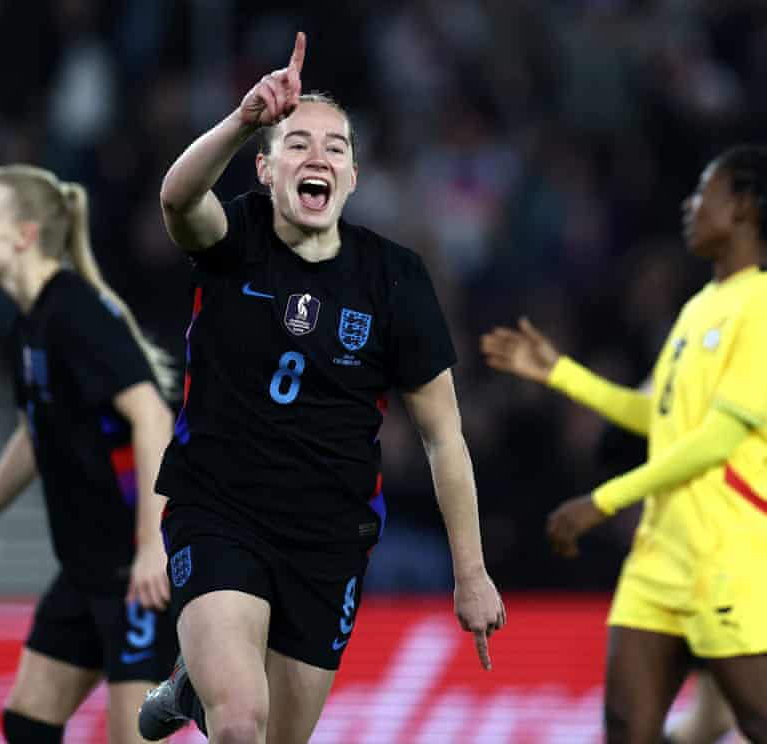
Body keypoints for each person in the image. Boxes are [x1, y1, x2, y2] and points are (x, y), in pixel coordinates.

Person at [137, 31, 505, 744]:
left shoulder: (395, 278)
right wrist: (244, 119)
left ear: (354, 177)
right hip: (220, 510)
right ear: (266, 169)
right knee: (240, 722)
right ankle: (209, 686)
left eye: (335, 148)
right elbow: (177, 199)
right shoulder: (236, 236)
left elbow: (443, 437)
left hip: (329, 538)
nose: (318, 157)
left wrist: (472, 572)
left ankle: (190, 685)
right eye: (297, 143)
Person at [481, 145, 767, 743]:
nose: (690, 206)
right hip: (659, 556)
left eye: (706, 192)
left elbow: (718, 439)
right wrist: (561, 373)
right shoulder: (699, 307)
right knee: (625, 727)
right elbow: (659, 415)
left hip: (728, 556)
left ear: (743, 206)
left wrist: (603, 501)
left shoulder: (762, 307)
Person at [0, 164, 179, 744]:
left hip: (135, 573)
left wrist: (152, 545)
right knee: (27, 723)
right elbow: (33, 435)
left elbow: (153, 416)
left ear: (24, 235)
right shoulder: (30, 325)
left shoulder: (75, 312)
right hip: (87, 570)